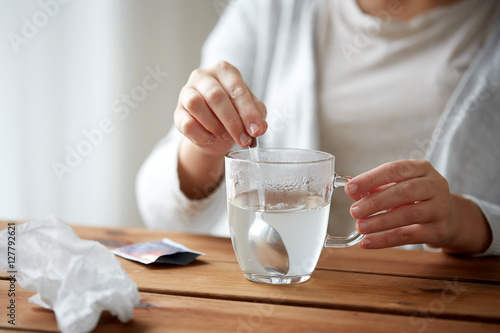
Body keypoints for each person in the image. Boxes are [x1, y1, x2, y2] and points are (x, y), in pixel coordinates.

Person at [136, 0, 500, 256]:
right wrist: (205, 146)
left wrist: (465, 221)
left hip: (431, 302)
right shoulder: (270, 11)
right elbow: (160, 212)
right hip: (270, 293)